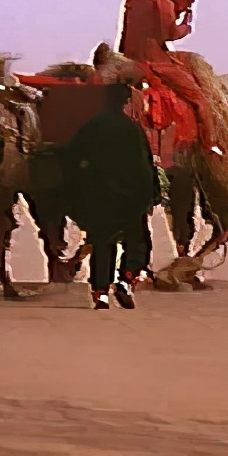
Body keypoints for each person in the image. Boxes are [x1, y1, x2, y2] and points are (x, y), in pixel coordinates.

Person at [64, 82, 161, 309]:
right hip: (130, 199)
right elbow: (145, 166)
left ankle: (101, 293)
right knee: (138, 243)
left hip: (100, 197)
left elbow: (73, 161)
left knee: (101, 243)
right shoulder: (133, 130)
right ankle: (126, 279)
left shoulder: (90, 128)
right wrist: (150, 195)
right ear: (126, 102)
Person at [117, 0, 223, 157]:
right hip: (155, 63)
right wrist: (186, 26)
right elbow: (170, 34)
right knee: (199, 99)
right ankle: (210, 143)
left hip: (129, 60)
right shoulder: (163, 3)